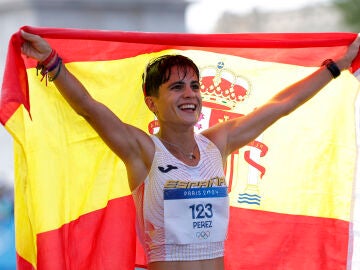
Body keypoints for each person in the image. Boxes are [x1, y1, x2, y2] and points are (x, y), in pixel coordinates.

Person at [20, 30, 360, 270]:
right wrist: (50, 60)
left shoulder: (218, 143)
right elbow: (89, 108)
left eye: (195, 86)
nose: (191, 94)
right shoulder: (143, 151)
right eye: (177, 87)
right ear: (151, 102)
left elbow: (281, 104)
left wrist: (336, 66)